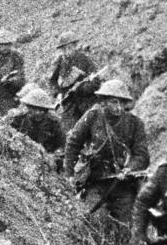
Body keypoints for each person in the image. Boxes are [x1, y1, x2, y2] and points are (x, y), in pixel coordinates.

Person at [62, 79, 149, 224]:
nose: (119, 107)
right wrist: (70, 174)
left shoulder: (135, 124)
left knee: (126, 225)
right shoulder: (92, 116)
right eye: (114, 102)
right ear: (104, 101)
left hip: (122, 184)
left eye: (122, 102)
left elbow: (142, 156)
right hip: (94, 182)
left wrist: (129, 169)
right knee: (91, 220)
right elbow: (73, 143)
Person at [49, 30, 101, 131]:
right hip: (69, 104)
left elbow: (96, 82)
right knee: (68, 133)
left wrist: (80, 88)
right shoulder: (61, 61)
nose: (66, 51)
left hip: (86, 102)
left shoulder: (85, 60)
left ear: (75, 46)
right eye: (63, 49)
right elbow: (52, 81)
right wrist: (58, 94)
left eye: (69, 48)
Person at [5, 88, 66, 159]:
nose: (38, 112)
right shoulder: (17, 118)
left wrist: (54, 155)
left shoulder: (54, 122)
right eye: (33, 108)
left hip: (45, 159)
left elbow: (62, 145)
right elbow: (4, 133)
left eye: (42, 109)